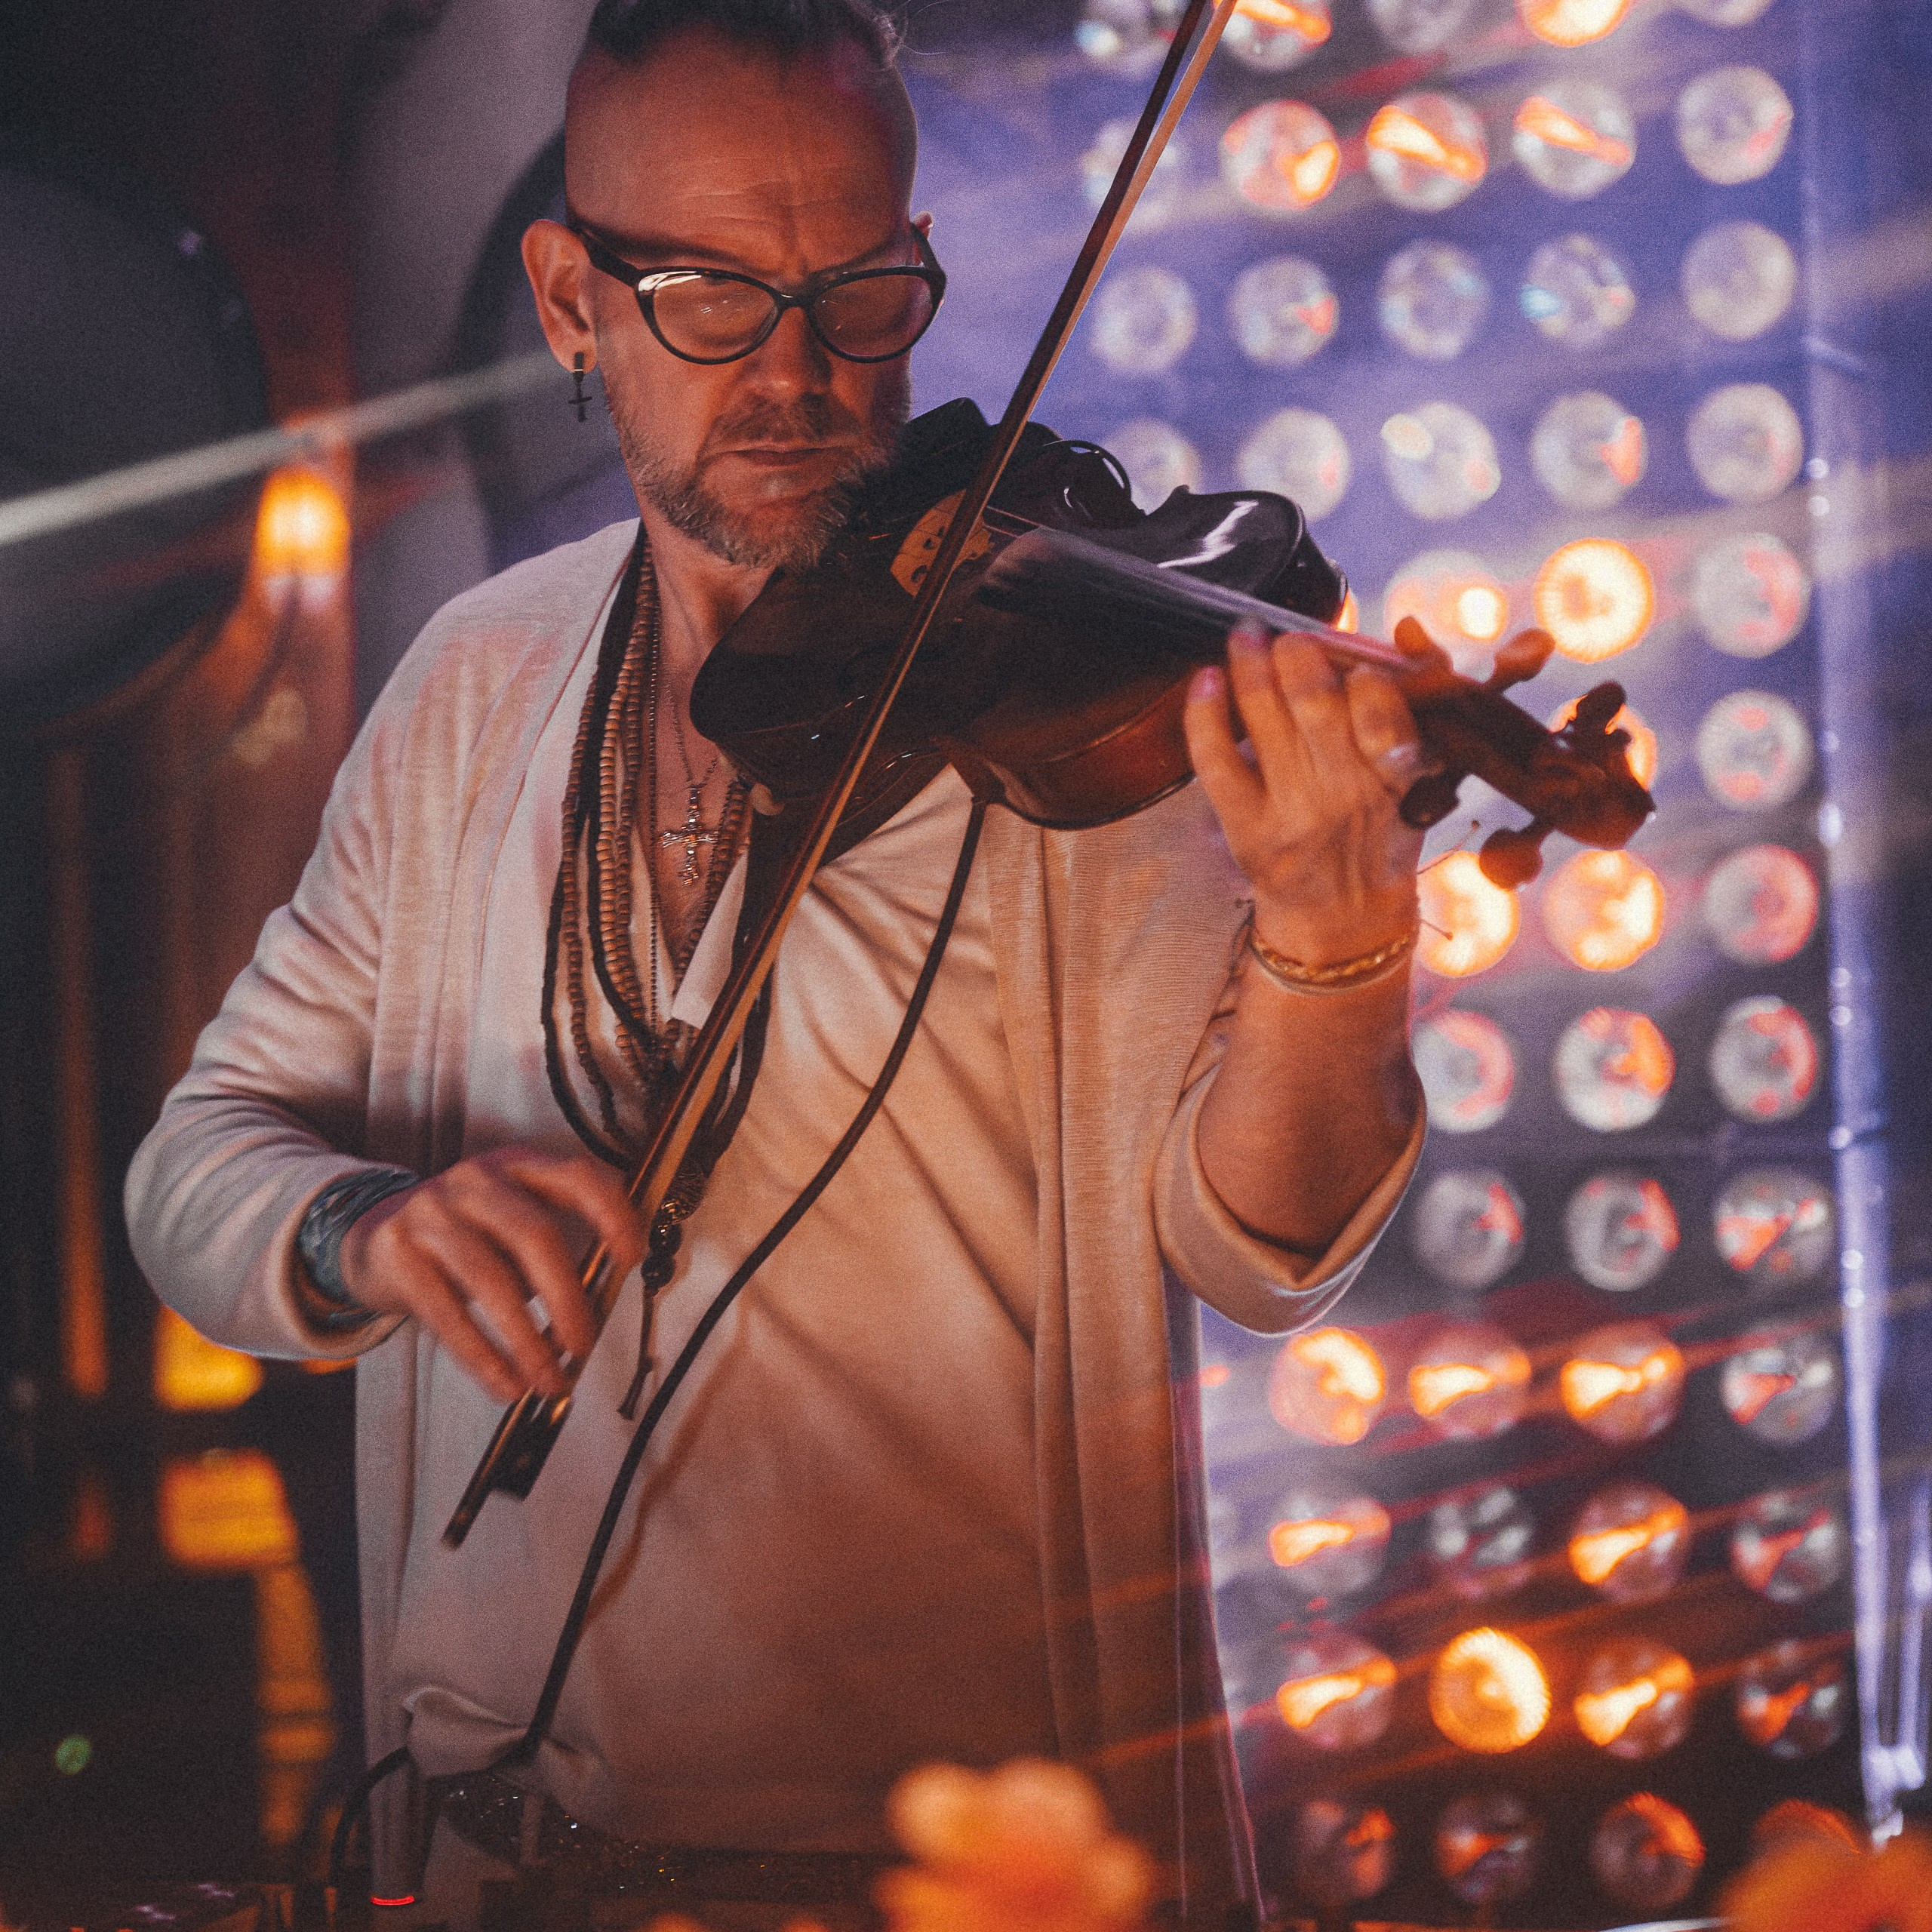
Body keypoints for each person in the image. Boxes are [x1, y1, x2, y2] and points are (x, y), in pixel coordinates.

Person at [125, 1, 1426, 1924]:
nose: (798, 373)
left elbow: (1265, 1248)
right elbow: (194, 1171)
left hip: (943, 1880)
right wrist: (363, 1231)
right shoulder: (475, 681)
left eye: (858, 296)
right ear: (569, 302)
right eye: (711, 299)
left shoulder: (1077, 702)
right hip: (489, 1867)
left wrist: (1336, 937)